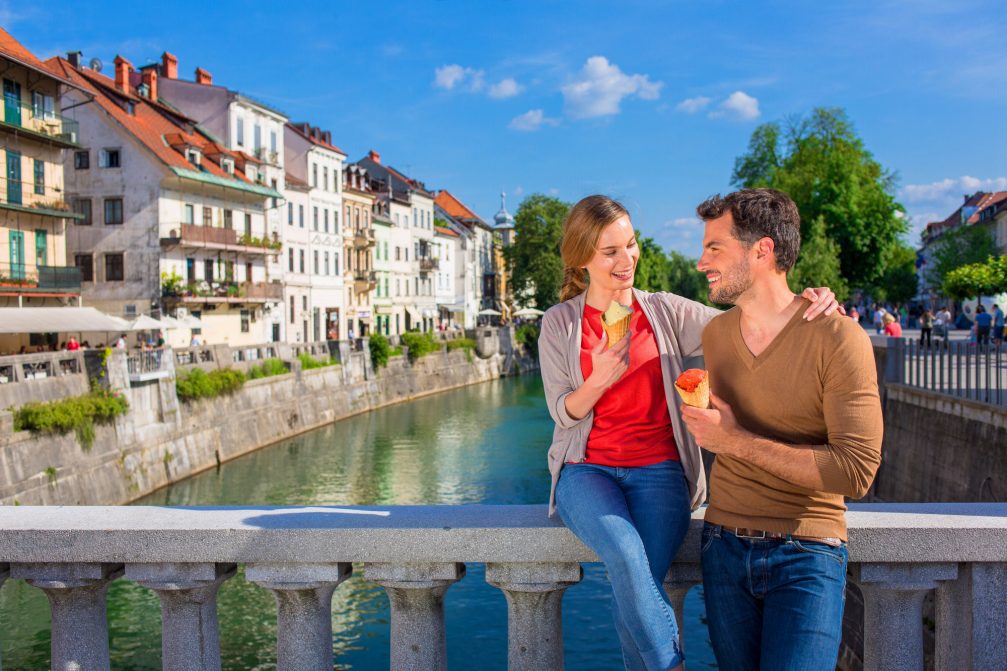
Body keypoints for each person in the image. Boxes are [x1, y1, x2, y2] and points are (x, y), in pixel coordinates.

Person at [538, 195, 839, 671]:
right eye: (609, 251)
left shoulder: (664, 312)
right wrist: (597, 380)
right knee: (624, 555)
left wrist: (808, 299)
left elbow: (748, 321)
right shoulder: (559, 324)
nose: (627, 259)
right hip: (586, 470)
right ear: (581, 258)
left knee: (635, 587)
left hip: (660, 471)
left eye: (631, 245)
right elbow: (562, 412)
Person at [684, 188, 883, 671]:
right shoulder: (714, 334)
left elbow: (856, 472)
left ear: (763, 250)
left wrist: (734, 442)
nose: (699, 262)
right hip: (721, 547)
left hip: (808, 554)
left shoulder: (838, 337)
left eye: (714, 248)